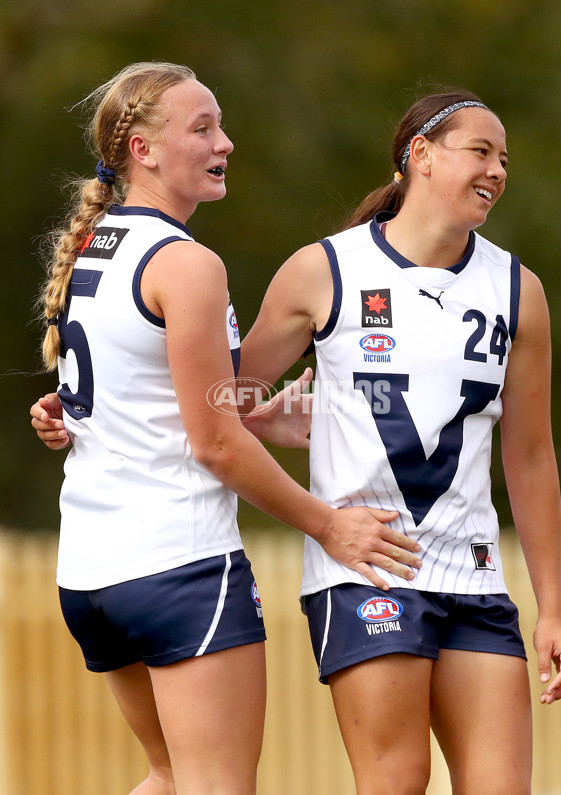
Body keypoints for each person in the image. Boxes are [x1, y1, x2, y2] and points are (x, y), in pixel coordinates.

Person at [32, 61, 421, 795]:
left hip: (89, 573)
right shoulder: (186, 263)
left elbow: (145, 398)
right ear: (143, 150)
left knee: (169, 776)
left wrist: (253, 415)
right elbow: (211, 444)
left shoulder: (95, 244)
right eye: (202, 128)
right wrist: (329, 525)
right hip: (178, 566)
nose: (227, 141)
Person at [234, 89, 561, 794]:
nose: (497, 170)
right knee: (397, 781)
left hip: (475, 575)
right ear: (419, 155)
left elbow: (532, 457)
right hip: (369, 570)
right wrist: (89, 413)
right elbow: (218, 398)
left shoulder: (518, 290)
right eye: (481, 150)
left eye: (504, 159)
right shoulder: (323, 270)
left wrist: (554, 610)